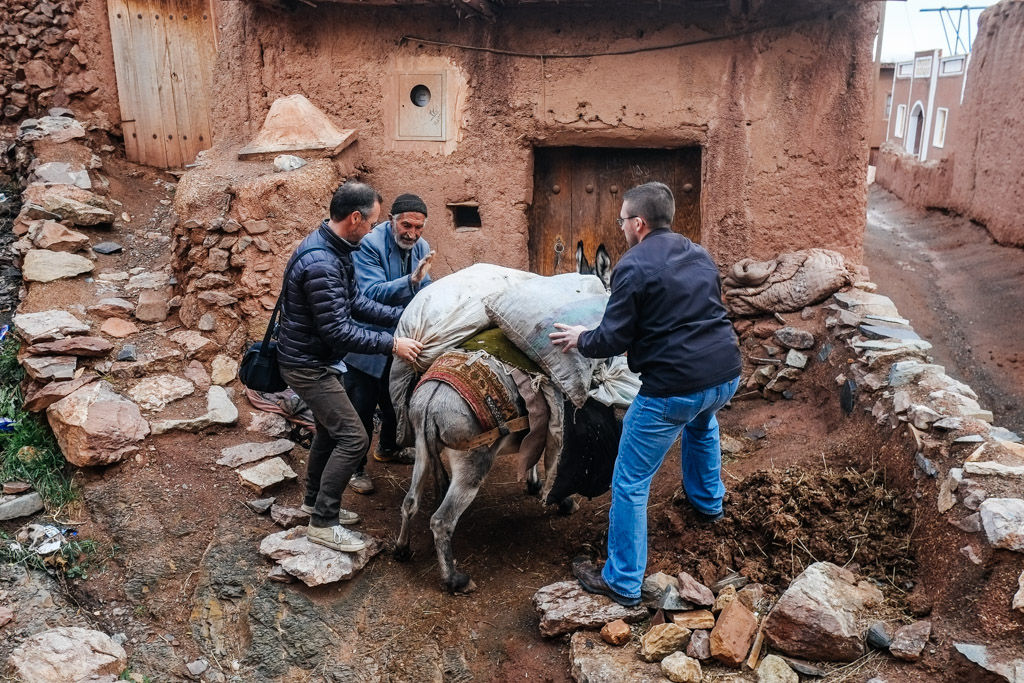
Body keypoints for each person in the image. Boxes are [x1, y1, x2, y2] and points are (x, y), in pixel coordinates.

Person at [549, 181, 741, 606]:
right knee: (702, 424)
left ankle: (621, 581)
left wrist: (581, 338)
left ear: (638, 223)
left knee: (631, 479)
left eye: (622, 220)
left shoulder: (632, 267)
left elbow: (611, 340)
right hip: (725, 376)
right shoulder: (699, 253)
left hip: (673, 388)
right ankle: (710, 506)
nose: (620, 228)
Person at [277, 181, 423, 552]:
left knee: (329, 431)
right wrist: (392, 343)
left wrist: (401, 318)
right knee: (355, 437)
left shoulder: (336, 247)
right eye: (372, 223)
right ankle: (323, 523)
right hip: (307, 364)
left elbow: (356, 301)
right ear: (355, 218)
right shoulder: (323, 262)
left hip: (314, 358)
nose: (374, 230)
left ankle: (313, 502)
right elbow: (339, 331)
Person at [343, 193, 435, 494]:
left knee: (396, 402)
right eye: (406, 225)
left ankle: (388, 449)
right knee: (361, 409)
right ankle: (354, 469)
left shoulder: (420, 247)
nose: (412, 234)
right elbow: (370, 294)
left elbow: (425, 289)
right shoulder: (369, 244)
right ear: (391, 220)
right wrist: (412, 281)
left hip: (401, 342)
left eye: (418, 228)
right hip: (366, 344)